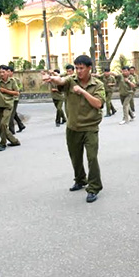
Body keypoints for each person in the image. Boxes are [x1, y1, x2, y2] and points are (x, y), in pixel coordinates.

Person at [42, 55, 105, 203]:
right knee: (75, 157)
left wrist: (83, 92)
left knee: (92, 157)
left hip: (90, 127)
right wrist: (52, 79)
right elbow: (61, 80)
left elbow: (98, 104)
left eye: (81, 68)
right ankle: (80, 179)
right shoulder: (71, 80)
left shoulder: (98, 84)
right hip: (73, 127)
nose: (78, 71)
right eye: (76, 68)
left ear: (89, 68)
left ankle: (94, 187)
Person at [0, 65, 21, 151]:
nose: (1, 74)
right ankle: (14, 141)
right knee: (1, 126)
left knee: (3, 124)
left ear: (7, 72)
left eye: (3, 72)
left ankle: (2, 143)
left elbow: (17, 93)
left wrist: (5, 91)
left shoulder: (12, 81)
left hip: (8, 105)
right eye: (0, 72)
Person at [7, 66, 26, 135]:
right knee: (14, 114)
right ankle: (21, 125)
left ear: (12, 72)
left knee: (11, 115)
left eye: (9, 71)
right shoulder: (6, 80)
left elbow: (20, 87)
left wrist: (16, 90)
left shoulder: (15, 80)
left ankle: (11, 131)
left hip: (14, 99)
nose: (7, 73)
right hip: (8, 99)